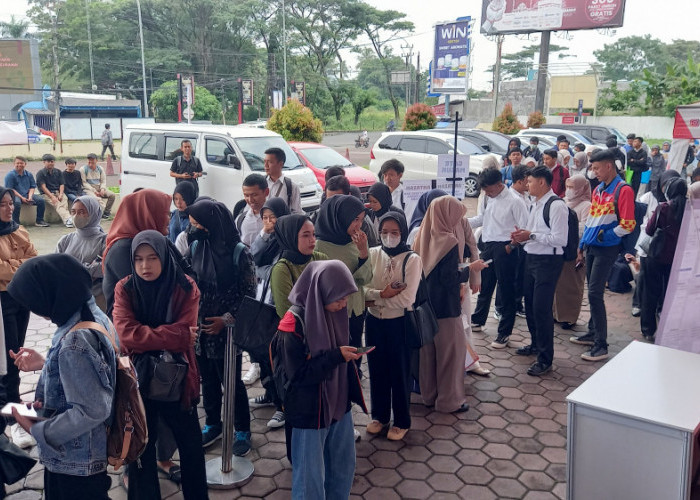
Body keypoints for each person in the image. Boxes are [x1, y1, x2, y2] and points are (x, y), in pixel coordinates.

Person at [7, 254, 116, 499]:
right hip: (89, 454)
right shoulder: (91, 314)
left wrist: (38, 429)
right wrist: (47, 364)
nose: (34, 309)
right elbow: (95, 375)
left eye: (35, 302)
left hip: (74, 460)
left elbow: (93, 410)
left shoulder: (73, 341)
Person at [112, 231, 208, 500]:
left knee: (190, 448)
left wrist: (148, 336)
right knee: (141, 448)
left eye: (153, 258)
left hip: (178, 380)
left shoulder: (185, 286)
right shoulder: (126, 287)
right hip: (138, 383)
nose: (145, 266)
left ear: (164, 256)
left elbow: (183, 329)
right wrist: (174, 335)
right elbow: (126, 334)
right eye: (139, 259)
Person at [276, 260, 367, 499]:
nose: (344, 303)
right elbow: (297, 375)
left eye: (346, 297)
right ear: (321, 290)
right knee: (309, 479)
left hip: (339, 405)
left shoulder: (334, 313)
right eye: (339, 297)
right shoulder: (292, 323)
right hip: (309, 411)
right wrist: (335, 357)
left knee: (343, 468)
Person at [186, 199, 256, 455]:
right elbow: (188, 281)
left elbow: (249, 295)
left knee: (232, 382)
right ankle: (213, 424)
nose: (192, 228)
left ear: (212, 225)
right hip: (201, 332)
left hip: (227, 333)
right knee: (209, 382)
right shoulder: (194, 247)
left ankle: (242, 430)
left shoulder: (239, 252)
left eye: (197, 224)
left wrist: (225, 320)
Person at [414, 196, 487, 412]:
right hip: (446, 307)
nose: (457, 221)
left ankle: (429, 396)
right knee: (450, 356)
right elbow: (448, 278)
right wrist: (470, 268)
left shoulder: (421, 236)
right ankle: (448, 401)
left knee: (428, 355)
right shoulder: (448, 241)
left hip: (425, 307)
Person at [570, 149, 636, 361]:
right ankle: (593, 332)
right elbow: (592, 220)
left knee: (595, 294)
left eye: (596, 168)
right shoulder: (598, 189)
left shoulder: (623, 190)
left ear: (609, 166)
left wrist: (603, 237)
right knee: (593, 291)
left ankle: (601, 345)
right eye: (592, 168)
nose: (594, 172)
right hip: (591, 247)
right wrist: (582, 244)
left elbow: (628, 225)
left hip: (607, 249)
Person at [364, 211, 421, 440]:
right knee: (376, 369)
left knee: (399, 372)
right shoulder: (371, 254)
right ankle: (379, 416)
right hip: (374, 322)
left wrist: (375, 298)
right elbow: (361, 290)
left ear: (403, 233)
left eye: (395, 232)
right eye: (385, 232)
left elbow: (407, 299)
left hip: (399, 323)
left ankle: (401, 420)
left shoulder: (412, 258)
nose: (389, 236)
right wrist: (383, 294)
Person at [510, 167, 568, 376]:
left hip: (548, 261)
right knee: (531, 305)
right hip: (531, 257)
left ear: (542, 182)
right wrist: (520, 237)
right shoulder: (535, 203)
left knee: (542, 310)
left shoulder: (556, 206)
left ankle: (545, 359)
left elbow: (560, 239)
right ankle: (535, 344)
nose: (527, 185)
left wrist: (530, 236)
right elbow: (532, 232)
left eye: (531, 182)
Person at [469, 168, 528, 347]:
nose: (486, 192)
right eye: (484, 190)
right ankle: (478, 319)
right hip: (488, 246)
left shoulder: (515, 201)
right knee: (485, 285)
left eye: (488, 189)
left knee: (506, 290)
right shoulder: (488, 198)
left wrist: (510, 247)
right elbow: (482, 218)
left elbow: (525, 229)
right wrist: (461, 222)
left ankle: (504, 332)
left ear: (499, 184)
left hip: (506, 247)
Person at [315, 195, 373, 374]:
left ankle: (353, 385)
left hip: (356, 308)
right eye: (355, 219)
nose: (359, 225)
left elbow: (367, 278)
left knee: (354, 351)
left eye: (362, 220)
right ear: (340, 217)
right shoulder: (320, 246)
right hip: (334, 312)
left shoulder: (358, 242)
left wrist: (364, 252)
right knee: (338, 357)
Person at [0, 188, 38, 448]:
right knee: (9, 356)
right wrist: (19, 265)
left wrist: (11, 267)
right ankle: (11, 415)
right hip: (2, 303)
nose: (9, 208)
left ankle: (13, 406)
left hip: (20, 299)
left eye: (10, 204)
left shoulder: (18, 229)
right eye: (3, 205)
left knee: (19, 353)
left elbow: (33, 259)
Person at [248, 197, 290, 429]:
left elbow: (277, 269)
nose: (269, 221)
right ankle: (270, 394)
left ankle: (282, 407)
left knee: (278, 358)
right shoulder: (267, 239)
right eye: (265, 217)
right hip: (262, 303)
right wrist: (264, 234)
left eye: (273, 217)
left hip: (279, 306)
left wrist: (262, 270)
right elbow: (254, 260)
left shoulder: (288, 238)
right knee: (263, 354)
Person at [102, 189, 172, 317]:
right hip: (130, 329)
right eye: (166, 214)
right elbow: (146, 293)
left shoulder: (155, 243)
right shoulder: (123, 249)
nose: (169, 220)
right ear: (148, 214)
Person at [640, 178, 687, 341]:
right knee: (671, 294)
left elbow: (649, 229)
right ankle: (669, 329)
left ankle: (648, 329)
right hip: (678, 259)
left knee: (650, 292)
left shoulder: (663, 207)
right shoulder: (690, 209)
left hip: (657, 256)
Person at [55, 196, 107, 311]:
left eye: (82, 212)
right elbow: (56, 269)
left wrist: (72, 269)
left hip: (97, 301)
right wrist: (88, 270)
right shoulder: (65, 240)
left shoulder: (104, 241)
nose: (76, 216)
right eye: (73, 212)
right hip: (70, 299)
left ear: (93, 213)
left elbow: (104, 268)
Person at [553, 175, 591, 329]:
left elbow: (584, 228)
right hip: (561, 249)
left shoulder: (586, 205)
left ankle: (569, 317)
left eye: (572, 187)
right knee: (559, 285)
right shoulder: (563, 202)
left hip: (576, 250)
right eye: (567, 186)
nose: (569, 190)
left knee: (572, 285)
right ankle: (557, 314)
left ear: (582, 188)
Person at [5, 156, 49, 227]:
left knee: (41, 200)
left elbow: (32, 186)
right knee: (16, 203)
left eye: (21, 163)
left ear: (25, 164)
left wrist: (30, 197)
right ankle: (16, 223)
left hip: (26, 194)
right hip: (14, 195)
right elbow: (10, 189)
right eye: (17, 163)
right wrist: (22, 198)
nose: (19, 165)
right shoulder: (10, 175)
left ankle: (39, 220)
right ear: (14, 164)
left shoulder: (29, 174)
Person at [36, 154, 73, 227]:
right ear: (44, 162)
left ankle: (67, 220)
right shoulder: (40, 173)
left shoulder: (58, 172)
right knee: (57, 203)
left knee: (64, 200)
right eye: (48, 161)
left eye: (52, 161)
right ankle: (69, 219)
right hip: (47, 194)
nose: (50, 163)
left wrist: (61, 194)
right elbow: (43, 187)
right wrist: (51, 196)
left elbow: (62, 184)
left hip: (58, 192)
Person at [265, 147, 303, 214]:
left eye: (270, 162)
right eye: (264, 162)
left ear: (281, 164)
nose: (266, 165)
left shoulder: (291, 187)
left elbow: (297, 212)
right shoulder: (260, 184)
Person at [236, 173, 270, 247]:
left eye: (254, 195)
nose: (250, 200)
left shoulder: (275, 219)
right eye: (246, 195)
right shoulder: (241, 219)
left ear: (266, 192)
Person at [81, 154, 116, 219]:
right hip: (88, 189)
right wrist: (94, 191)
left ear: (96, 161)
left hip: (99, 188)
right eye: (89, 162)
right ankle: (98, 214)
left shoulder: (100, 169)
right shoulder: (83, 169)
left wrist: (102, 189)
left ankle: (106, 212)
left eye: (93, 162)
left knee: (112, 195)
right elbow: (84, 183)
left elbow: (103, 181)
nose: (90, 164)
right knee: (97, 199)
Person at [168, 182, 196, 247]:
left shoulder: (196, 216)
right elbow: (168, 235)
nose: (178, 203)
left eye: (183, 199)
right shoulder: (174, 214)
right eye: (176, 199)